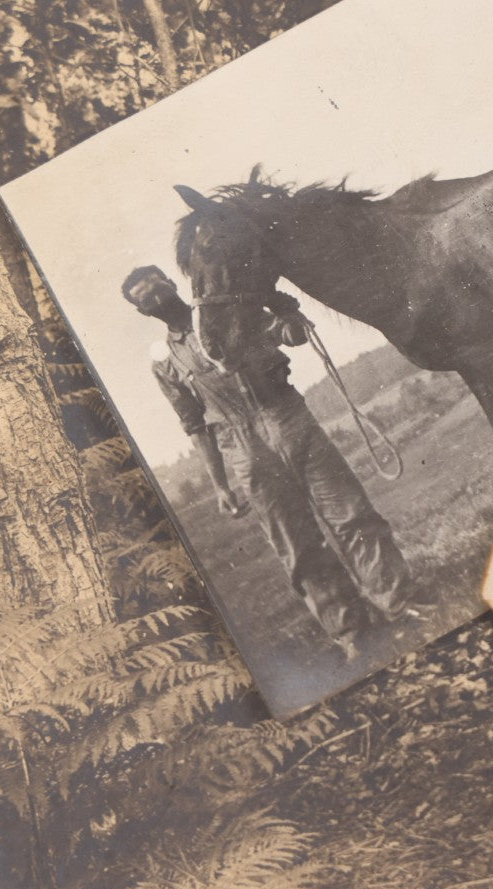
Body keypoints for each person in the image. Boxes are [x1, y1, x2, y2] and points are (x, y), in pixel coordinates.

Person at [121, 264, 413, 661]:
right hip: (242, 448)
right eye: (147, 299)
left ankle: (400, 604)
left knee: (353, 516)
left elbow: (286, 335)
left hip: (289, 418)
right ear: (143, 312)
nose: (157, 298)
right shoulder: (165, 362)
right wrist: (220, 485)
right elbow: (193, 423)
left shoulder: (230, 311)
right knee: (297, 545)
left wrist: (289, 318)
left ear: (172, 283)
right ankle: (353, 633)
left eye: (158, 287)